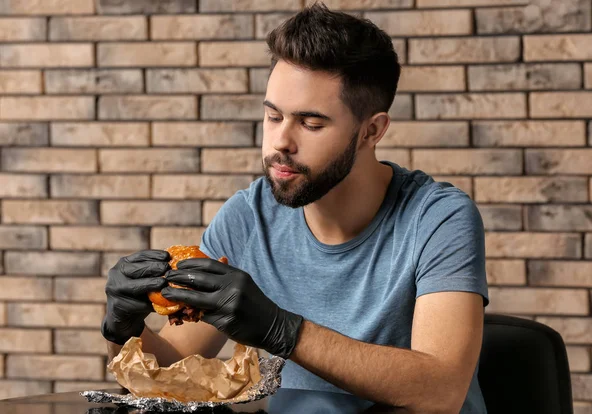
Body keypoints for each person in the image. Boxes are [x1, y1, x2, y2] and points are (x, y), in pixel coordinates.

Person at [101, 3, 489, 413]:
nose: (280, 142)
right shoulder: (248, 217)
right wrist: (124, 329)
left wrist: (279, 329)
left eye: (311, 123)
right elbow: (170, 373)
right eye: (273, 116)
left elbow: (441, 390)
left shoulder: (438, 218)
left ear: (371, 131)